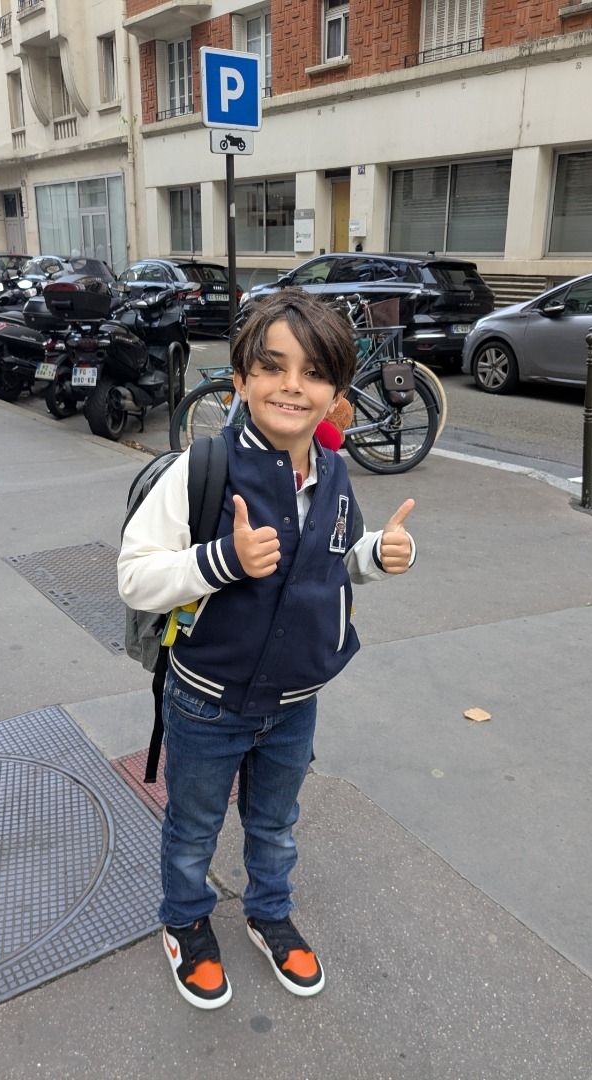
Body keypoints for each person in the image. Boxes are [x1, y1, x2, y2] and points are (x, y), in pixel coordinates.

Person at [117, 289, 416, 1010]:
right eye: (273, 367)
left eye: (313, 372)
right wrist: (224, 558)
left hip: (294, 702)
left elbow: (331, 560)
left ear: (336, 395)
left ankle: (269, 913)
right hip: (206, 701)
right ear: (242, 380)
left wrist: (378, 555)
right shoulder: (202, 467)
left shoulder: (336, 471)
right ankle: (186, 920)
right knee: (193, 826)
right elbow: (134, 576)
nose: (291, 385)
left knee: (276, 825)